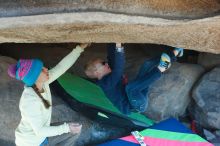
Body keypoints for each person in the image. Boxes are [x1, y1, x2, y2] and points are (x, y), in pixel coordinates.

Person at [7, 43, 90, 146]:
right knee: (69, 129)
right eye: (42, 70)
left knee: (73, 132)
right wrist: (66, 127)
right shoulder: (30, 101)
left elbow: (61, 67)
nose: (46, 69)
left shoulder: (42, 84)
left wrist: (79, 49)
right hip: (32, 143)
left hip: (43, 137)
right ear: (34, 77)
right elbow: (40, 131)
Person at [84, 43, 183, 115]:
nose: (106, 63)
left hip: (138, 93)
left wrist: (112, 40)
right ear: (97, 73)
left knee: (147, 64)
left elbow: (111, 57)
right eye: (103, 64)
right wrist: (119, 47)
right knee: (130, 87)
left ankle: (175, 53)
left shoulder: (108, 72)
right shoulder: (106, 84)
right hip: (137, 104)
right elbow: (119, 67)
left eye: (104, 62)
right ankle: (161, 68)